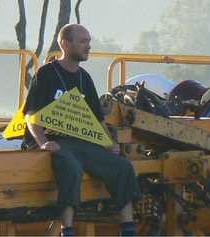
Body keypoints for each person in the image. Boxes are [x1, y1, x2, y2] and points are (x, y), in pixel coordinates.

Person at [22, 24, 141, 236]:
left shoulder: (84, 78)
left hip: (81, 142)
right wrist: (42, 142)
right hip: (53, 139)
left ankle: (127, 228)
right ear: (65, 44)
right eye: (83, 41)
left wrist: (108, 143)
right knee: (71, 167)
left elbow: (97, 119)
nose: (88, 46)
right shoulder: (46, 74)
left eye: (89, 41)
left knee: (122, 167)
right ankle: (66, 230)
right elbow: (31, 114)